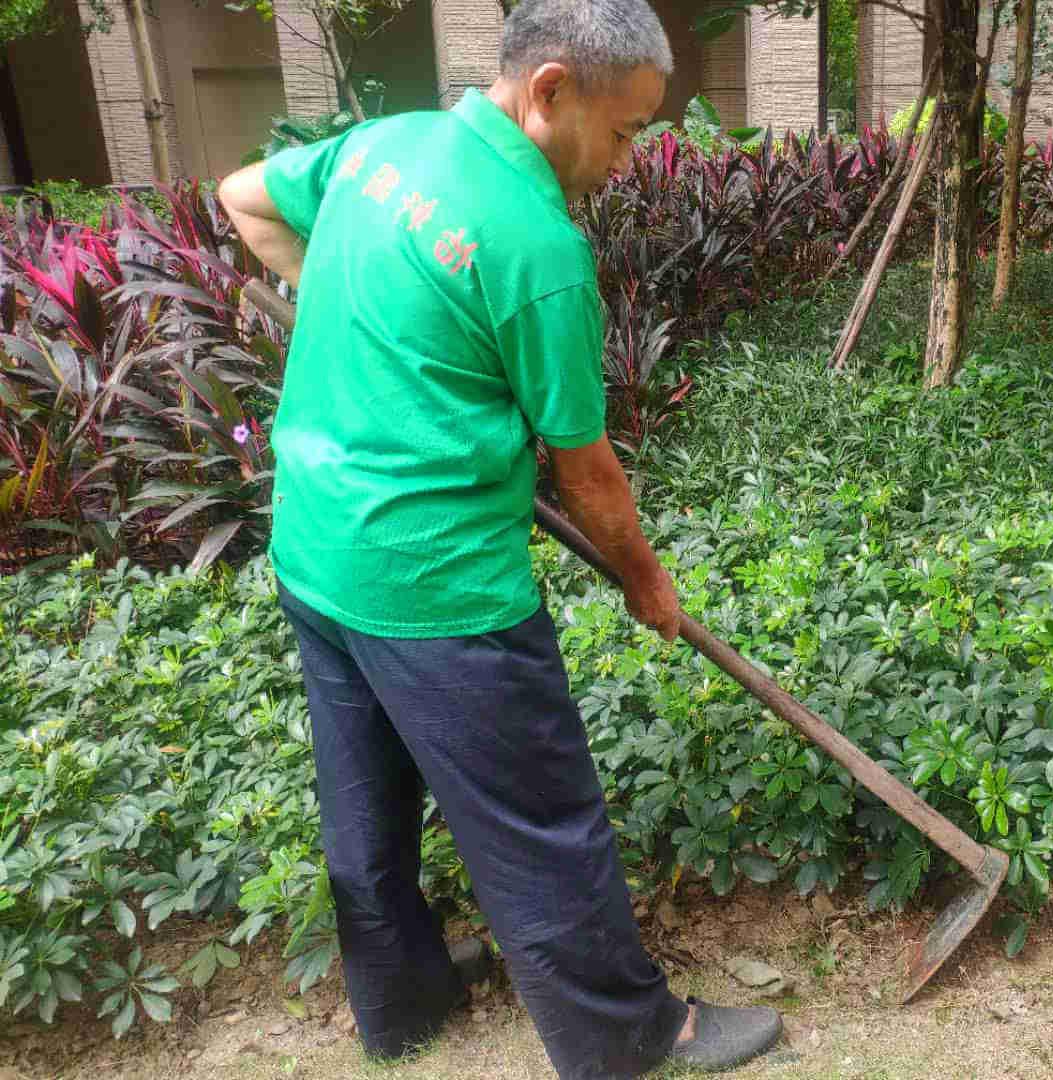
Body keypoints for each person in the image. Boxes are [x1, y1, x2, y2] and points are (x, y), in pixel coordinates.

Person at [216, 1, 782, 1075]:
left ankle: (404, 1004)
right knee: (542, 819)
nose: (626, 162)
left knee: (366, 808)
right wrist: (648, 587)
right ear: (552, 90)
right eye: (623, 133)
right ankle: (630, 1036)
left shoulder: (385, 144)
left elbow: (245, 198)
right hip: (437, 587)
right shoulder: (538, 247)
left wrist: (381, 327)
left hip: (318, 548)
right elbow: (588, 472)